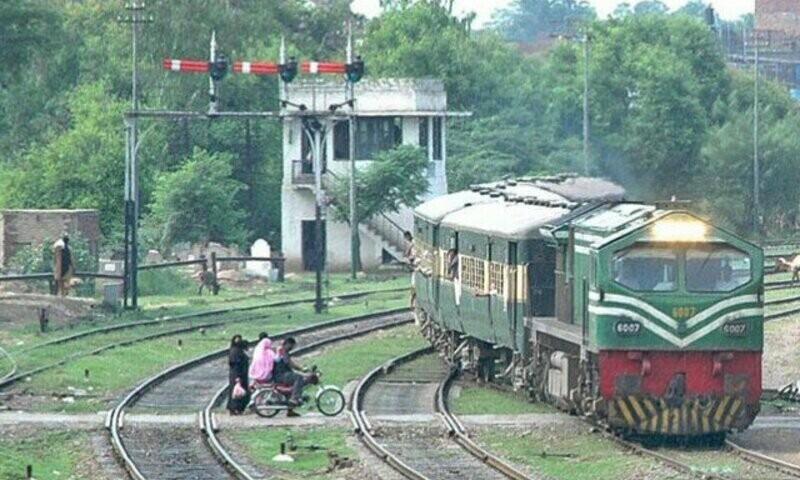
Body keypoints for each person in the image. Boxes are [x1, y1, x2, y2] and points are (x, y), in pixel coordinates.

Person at [273, 337, 310, 417]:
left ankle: (290, 410)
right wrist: (301, 369)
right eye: (291, 346)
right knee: (298, 378)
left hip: (282, 374)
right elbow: (290, 363)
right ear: (287, 344)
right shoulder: (283, 351)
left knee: (292, 387)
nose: (292, 348)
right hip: (281, 375)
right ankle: (295, 398)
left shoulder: (282, 350)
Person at [226, 335, 250, 414]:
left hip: (240, 375)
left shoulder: (237, 350)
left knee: (238, 391)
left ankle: (237, 408)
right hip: (237, 375)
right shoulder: (235, 351)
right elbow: (235, 364)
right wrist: (238, 377)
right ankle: (235, 408)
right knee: (237, 392)